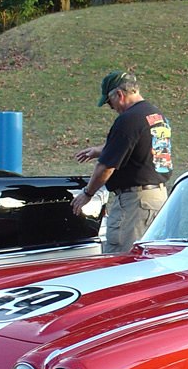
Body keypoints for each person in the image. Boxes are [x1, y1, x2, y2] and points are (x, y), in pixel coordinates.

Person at [72, 71, 172, 253]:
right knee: (151, 263)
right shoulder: (155, 115)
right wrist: (100, 150)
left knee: (123, 263)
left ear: (119, 94)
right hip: (158, 201)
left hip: (135, 205)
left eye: (110, 103)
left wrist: (88, 193)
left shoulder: (128, 119)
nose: (112, 108)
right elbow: (137, 145)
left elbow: (106, 166)